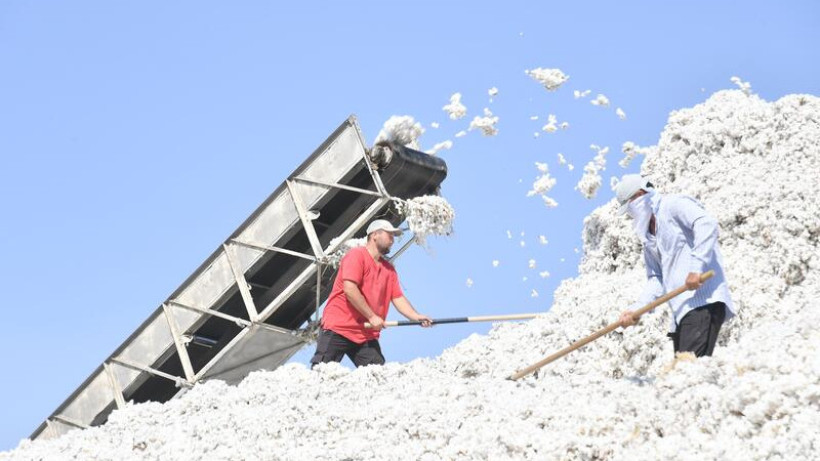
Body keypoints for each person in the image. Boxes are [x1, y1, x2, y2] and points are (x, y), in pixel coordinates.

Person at [615, 175, 736, 357]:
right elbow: (656, 279)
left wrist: (696, 268)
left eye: (630, 207)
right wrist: (637, 309)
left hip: (702, 303)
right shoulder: (648, 238)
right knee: (681, 377)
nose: (631, 214)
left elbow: (706, 223)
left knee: (689, 372)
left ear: (639, 195)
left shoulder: (672, 205)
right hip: (681, 313)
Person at [310, 219, 432, 367]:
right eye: (390, 236)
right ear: (375, 235)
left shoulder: (389, 270)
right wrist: (372, 316)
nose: (393, 241)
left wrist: (416, 317)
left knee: (378, 377)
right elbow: (350, 289)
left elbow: (398, 297)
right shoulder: (356, 256)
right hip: (339, 328)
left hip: (365, 334)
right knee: (321, 373)